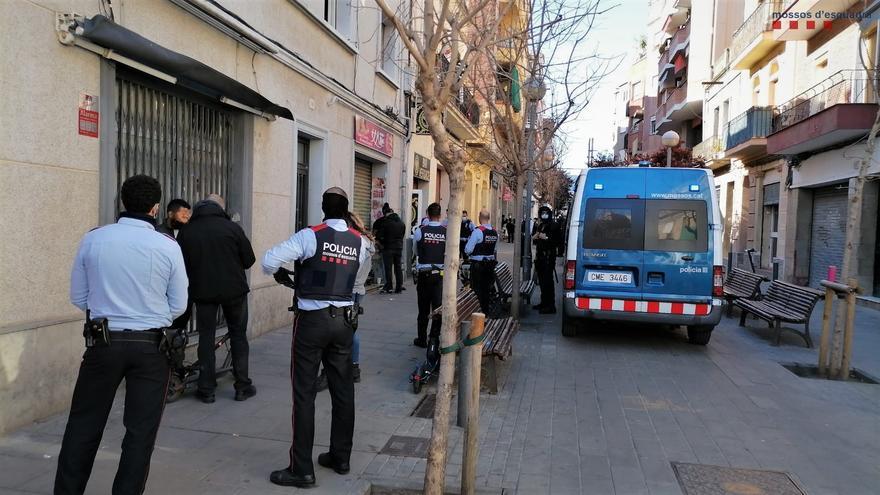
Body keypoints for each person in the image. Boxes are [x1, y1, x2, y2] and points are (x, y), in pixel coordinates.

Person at [56, 174, 188, 495]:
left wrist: (108, 307)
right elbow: (179, 304)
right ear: (156, 208)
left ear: (122, 202)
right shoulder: (168, 245)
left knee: (83, 426)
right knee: (140, 434)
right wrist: (150, 316)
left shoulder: (94, 238)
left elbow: (79, 297)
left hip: (104, 343)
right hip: (151, 347)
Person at [262, 187, 369, 488]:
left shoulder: (310, 235)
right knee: (343, 391)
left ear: (322, 207)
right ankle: (341, 457)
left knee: (304, 393)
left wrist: (287, 275)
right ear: (347, 209)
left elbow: (269, 260)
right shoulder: (359, 242)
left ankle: (302, 469)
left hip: (312, 322)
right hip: (345, 322)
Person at [176, 194, 257, 403]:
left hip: (202, 292)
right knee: (238, 335)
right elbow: (249, 260)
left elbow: (179, 265)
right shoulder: (232, 228)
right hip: (234, 291)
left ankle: (206, 389)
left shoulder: (187, 231)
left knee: (205, 337)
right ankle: (242, 386)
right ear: (221, 208)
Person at [411, 202, 445, 350]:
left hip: (424, 274)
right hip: (439, 275)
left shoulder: (420, 230)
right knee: (437, 308)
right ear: (440, 215)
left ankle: (422, 338)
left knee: (423, 309)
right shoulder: (446, 231)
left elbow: (416, 251)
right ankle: (434, 337)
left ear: (428, 214)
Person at [465, 209, 499, 314]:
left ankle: (477, 314)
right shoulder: (494, 231)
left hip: (478, 266)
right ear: (488, 218)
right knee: (486, 290)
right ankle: (485, 312)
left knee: (477, 291)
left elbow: (468, 249)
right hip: (490, 265)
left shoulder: (478, 231)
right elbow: (495, 250)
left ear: (480, 218)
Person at [532, 205, 562, 314]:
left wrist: (547, 238)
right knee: (542, 282)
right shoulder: (541, 225)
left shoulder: (554, 225)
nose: (544, 215)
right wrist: (536, 236)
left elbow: (557, 240)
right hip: (540, 257)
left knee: (548, 282)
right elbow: (535, 237)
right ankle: (544, 302)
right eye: (542, 213)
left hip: (548, 257)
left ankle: (550, 305)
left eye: (546, 213)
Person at [375, 204, 406, 293]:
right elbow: (402, 235)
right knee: (398, 267)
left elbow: (379, 235)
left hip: (388, 248)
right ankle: (399, 287)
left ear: (385, 213)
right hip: (399, 247)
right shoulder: (401, 222)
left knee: (388, 268)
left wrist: (380, 243)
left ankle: (389, 286)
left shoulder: (386, 222)